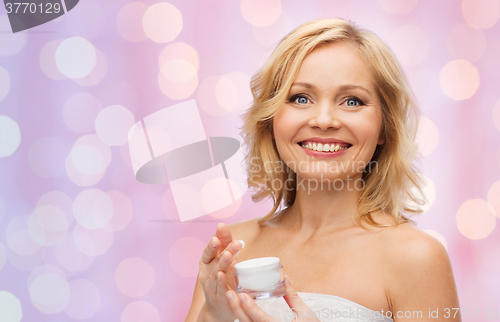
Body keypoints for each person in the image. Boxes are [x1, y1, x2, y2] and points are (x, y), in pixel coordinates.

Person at [185, 18, 461, 322]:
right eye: (300, 98)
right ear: (271, 120)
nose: (324, 119)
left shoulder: (416, 257)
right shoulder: (234, 250)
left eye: (352, 101)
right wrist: (212, 316)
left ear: (385, 127)